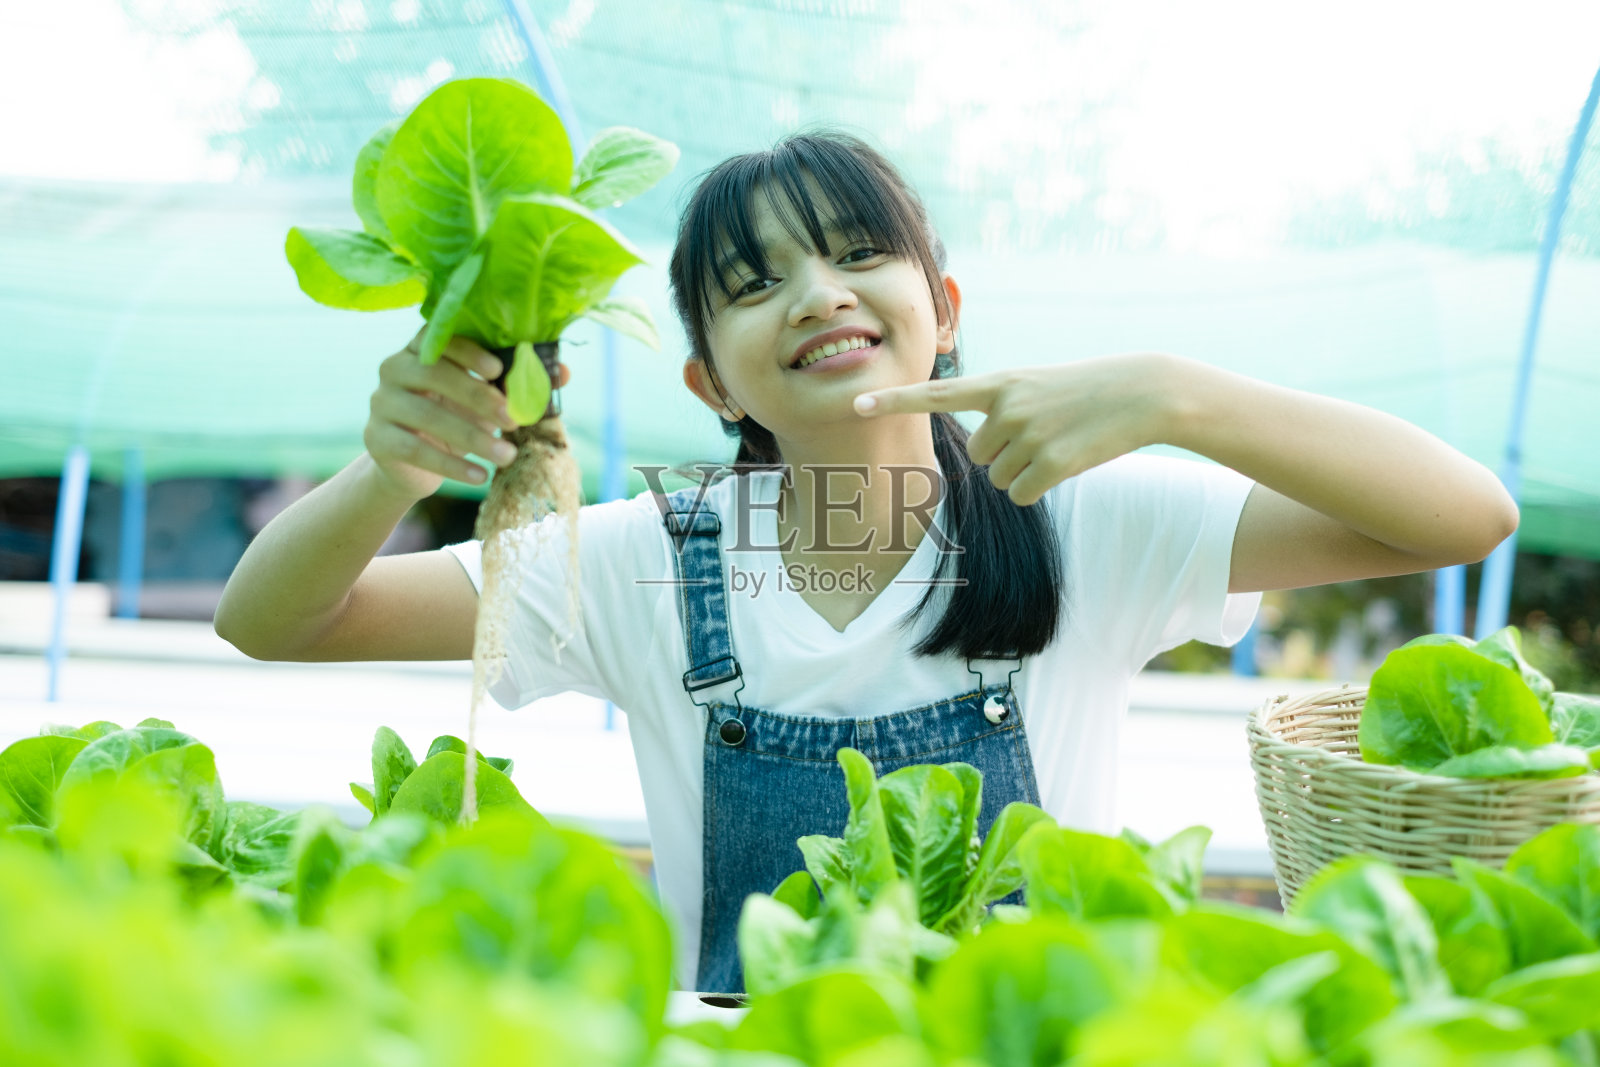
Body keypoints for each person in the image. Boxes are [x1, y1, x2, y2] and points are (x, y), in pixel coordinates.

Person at [214, 130, 1519, 995]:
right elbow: (277, 619)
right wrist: (395, 464)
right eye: (753, 281)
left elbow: (1461, 516)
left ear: (942, 312)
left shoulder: (1082, 516)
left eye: (856, 254)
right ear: (707, 377)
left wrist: (1181, 393)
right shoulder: (638, 563)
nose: (819, 294)